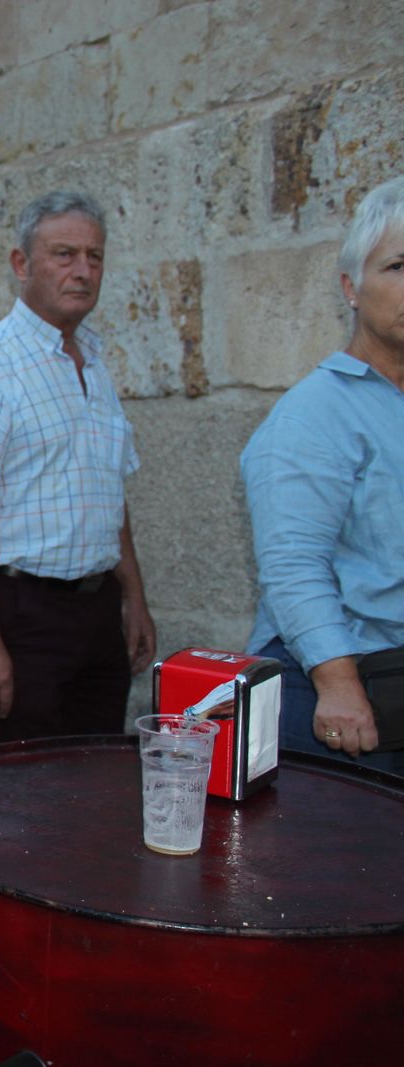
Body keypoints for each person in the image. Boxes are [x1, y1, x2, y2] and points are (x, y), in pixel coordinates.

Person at [0, 190, 156, 744]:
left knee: (102, 776)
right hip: (25, 615)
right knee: (31, 795)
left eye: (94, 256)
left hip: (99, 611)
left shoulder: (96, 364)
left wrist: (134, 600)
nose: (83, 270)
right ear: (21, 264)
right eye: (64, 254)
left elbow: (110, 495)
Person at [240, 176, 404, 776]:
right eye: (397, 265)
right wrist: (339, 685)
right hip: (342, 691)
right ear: (351, 288)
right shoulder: (314, 415)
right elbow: (293, 564)